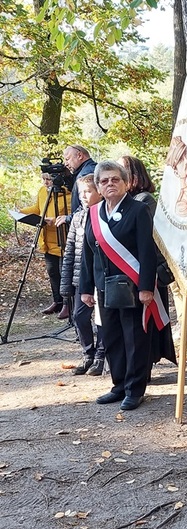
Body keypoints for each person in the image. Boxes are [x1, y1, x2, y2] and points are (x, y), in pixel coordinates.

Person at [79, 161, 162, 411]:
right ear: (98, 186)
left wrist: (146, 286)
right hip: (105, 288)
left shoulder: (138, 210)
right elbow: (88, 254)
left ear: (126, 183)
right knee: (112, 337)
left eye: (115, 179)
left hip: (133, 286)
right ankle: (118, 385)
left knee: (135, 337)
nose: (110, 184)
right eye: (104, 181)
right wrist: (85, 288)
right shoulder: (94, 214)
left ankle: (135, 389)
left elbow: (148, 252)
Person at [119, 155, 177, 370]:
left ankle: (147, 364)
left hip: (146, 269)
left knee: (149, 319)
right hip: (129, 270)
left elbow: (147, 239)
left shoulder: (144, 200)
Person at [60, 175, 105, 376]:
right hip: (81, 276)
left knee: (101, 318)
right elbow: (70, 250)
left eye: (88, 191)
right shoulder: (78, 217)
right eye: (81, 193)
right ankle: (88, 354)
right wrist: (65, 283)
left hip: (101, 276)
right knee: (79, 316)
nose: (84, 196)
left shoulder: (104, 213)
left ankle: (101, 357)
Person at [19, 173, 70, 318]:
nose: (45, 182)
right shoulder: (42, 191)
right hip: (47, 241)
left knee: (64, 274)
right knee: (53, 273)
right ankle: (57, 301)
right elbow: (37, 208)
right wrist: (21, 212)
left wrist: (55, 220)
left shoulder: (68, 194)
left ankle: (68, 304)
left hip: (63, 240)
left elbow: (73, 214)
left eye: (49, 180)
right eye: (43, 179)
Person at [62, 145, 97, 219]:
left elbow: (87, 204)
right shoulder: (91, 169)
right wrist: (67, 176)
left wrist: (69, 218)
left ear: (80, 155)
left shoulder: (85, 175)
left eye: (67, 159)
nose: (65, 164)